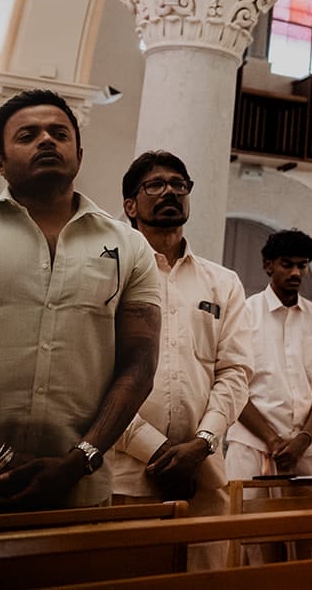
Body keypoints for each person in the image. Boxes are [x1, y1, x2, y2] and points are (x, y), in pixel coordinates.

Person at [0, 89, 162, 509]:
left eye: (59, 133)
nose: (46, 141)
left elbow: (138, 365)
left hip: (78, 487)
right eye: (27, 135)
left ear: (79, 154)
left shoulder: (128, 245)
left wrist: (78, 460)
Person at [110, 151, 253, 568]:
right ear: (130, 206)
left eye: (179, 183)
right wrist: (153, 449)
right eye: (154, 185)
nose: (170, 191)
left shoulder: (222, 282)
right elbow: (99, 374)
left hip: (203, 476)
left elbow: (235, 371)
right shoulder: (111, 274)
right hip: (126, 473)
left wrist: (203, 442)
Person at [226, 229, 312, 482]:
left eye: (302, 265)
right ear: (269, 266)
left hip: (302, 450)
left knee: (298, 521)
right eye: (287, 265)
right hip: (251, 445)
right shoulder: (243, 314)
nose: (295, 273)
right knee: (247, 520)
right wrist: (271, 439)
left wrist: (303, 438)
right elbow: (234, 387)